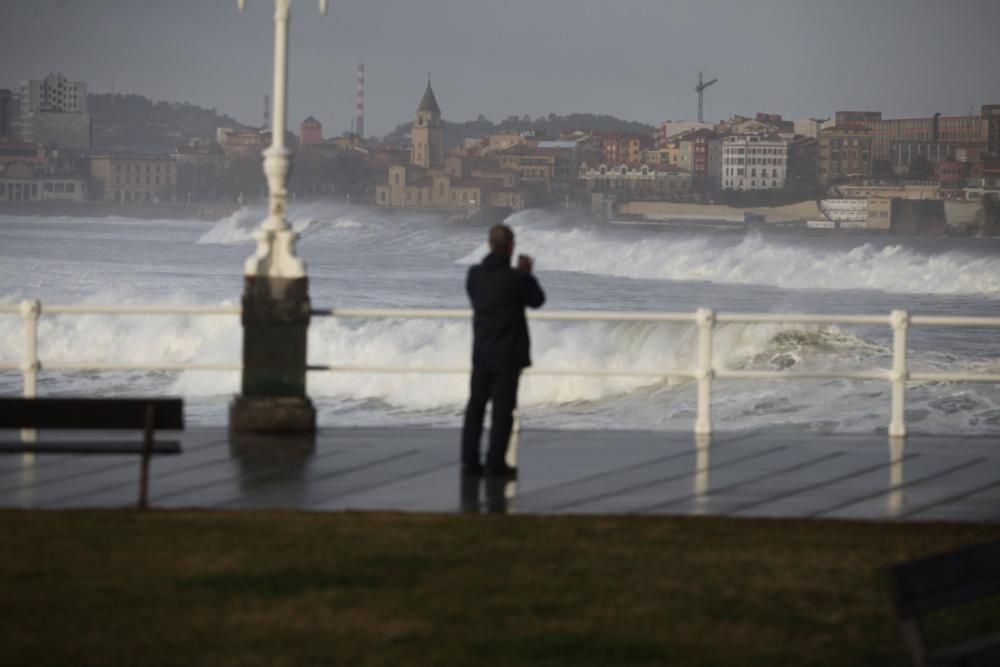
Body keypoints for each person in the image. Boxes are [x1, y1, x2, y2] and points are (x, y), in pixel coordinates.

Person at [461, 224, 545, 479]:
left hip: (482, 354)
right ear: (510, 247)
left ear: (490, 245)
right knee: (502, 412)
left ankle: (470, 463)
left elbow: (479, 297)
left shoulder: (474, 275)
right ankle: (495, 463)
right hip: (508, 357)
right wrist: (527, 274)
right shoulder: (516, 279)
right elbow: (537, 300)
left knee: (475, 409)